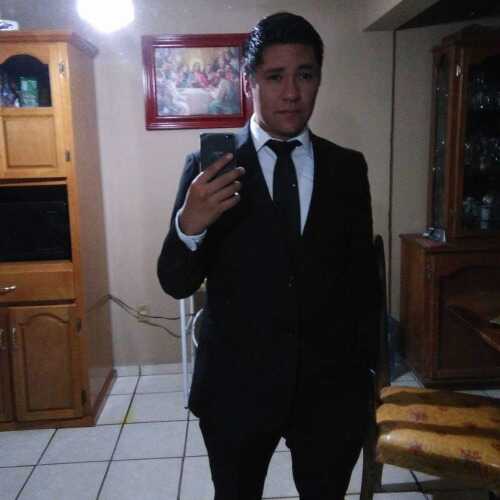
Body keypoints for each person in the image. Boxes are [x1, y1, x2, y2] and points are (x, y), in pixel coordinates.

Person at [157, 11, 378, 500]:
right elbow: (174, 281)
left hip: (328, 392)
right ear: (248, 81)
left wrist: (366, 377)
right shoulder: (210, 168)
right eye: (275, 77)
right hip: (236, 388)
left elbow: (363, 281)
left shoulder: (347, 168)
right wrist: (190, 225)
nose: (292, 93)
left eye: (305, 75)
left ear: (319, 78)